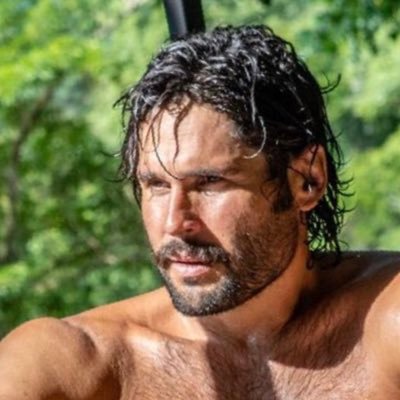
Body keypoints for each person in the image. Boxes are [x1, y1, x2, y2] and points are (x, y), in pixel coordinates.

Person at [1, 25, 399, 400]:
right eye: (156, 185)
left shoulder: (385, 321)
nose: (175, 223)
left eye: (209, 183)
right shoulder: (74, 361)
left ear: (307, 179)